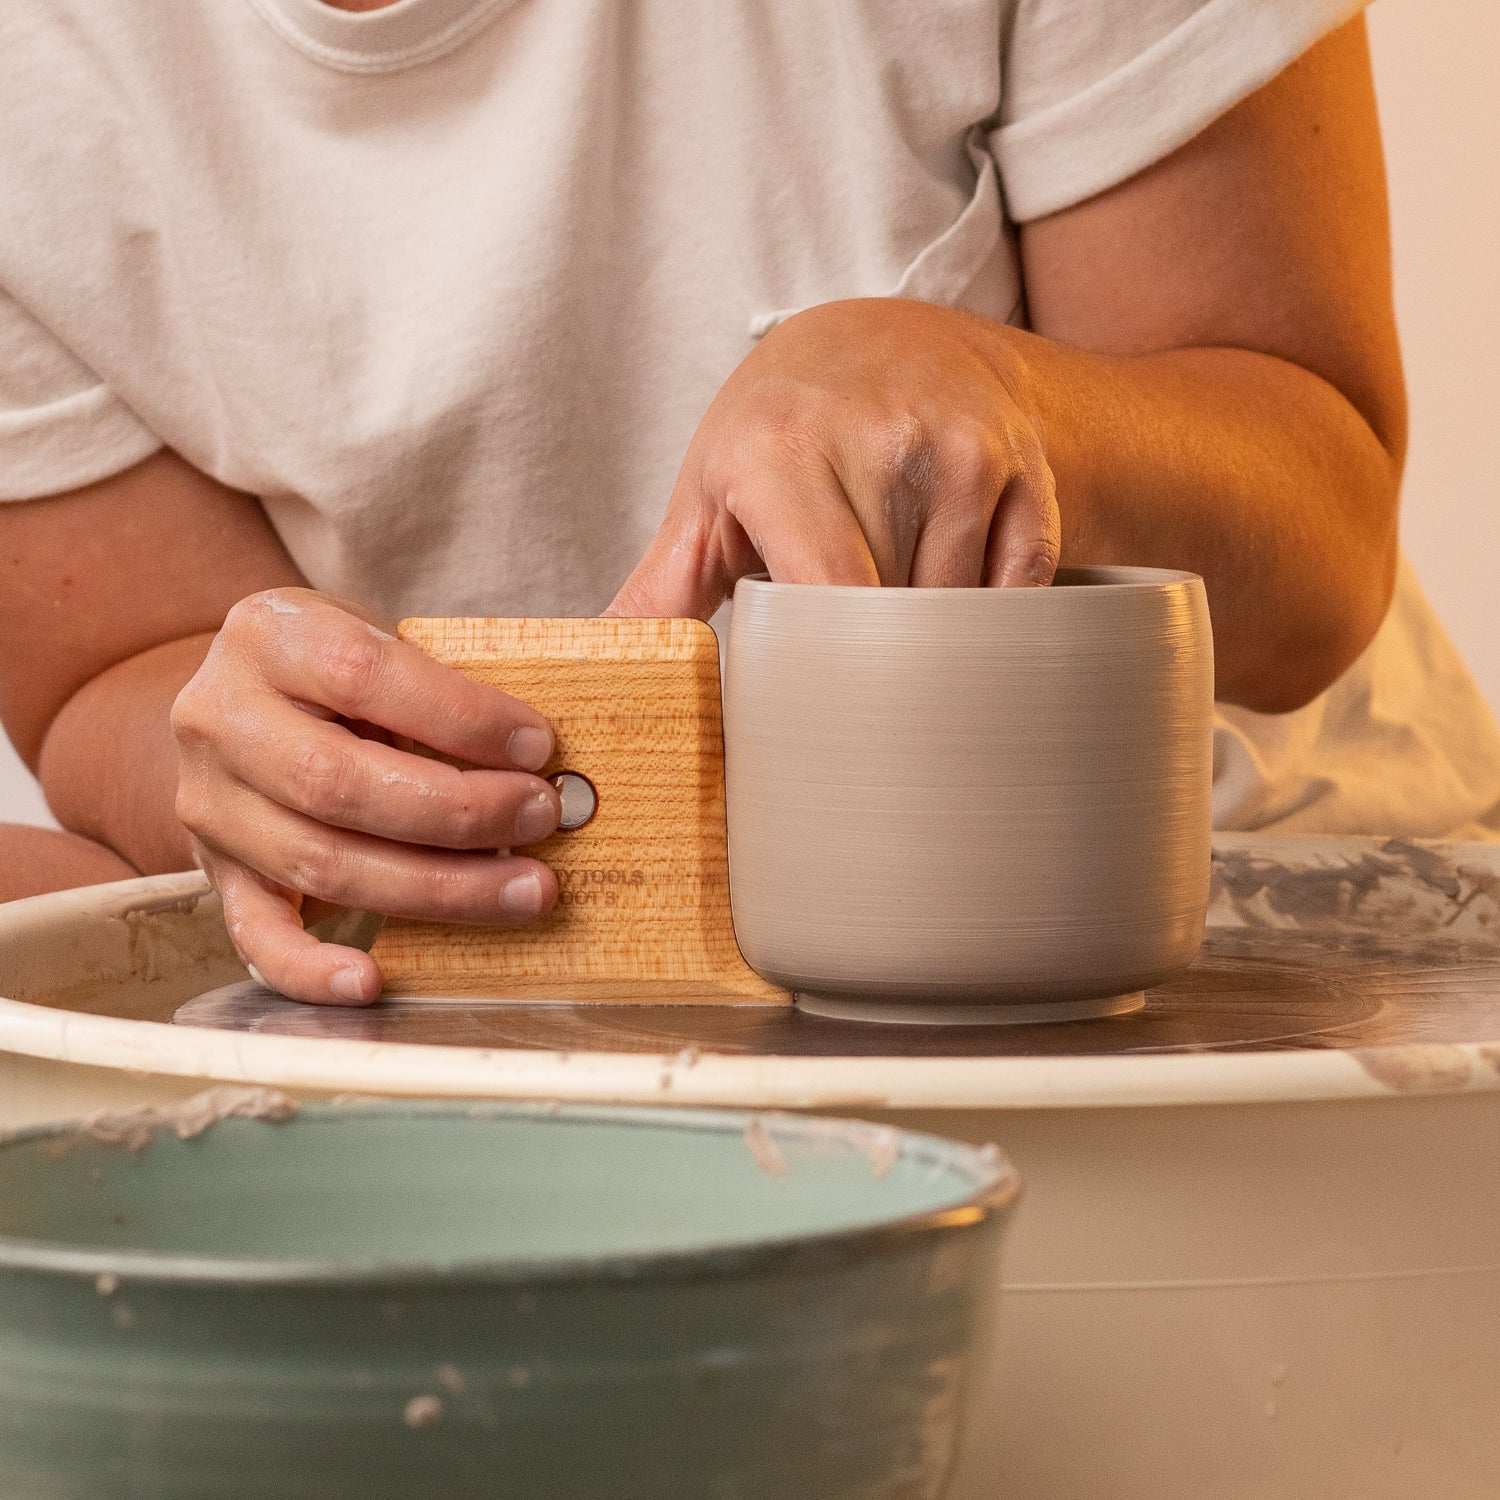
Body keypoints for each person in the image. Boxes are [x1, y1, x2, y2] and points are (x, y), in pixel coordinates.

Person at [2, 0, 1497, 1004]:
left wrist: (994, 394)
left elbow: (1322, 548)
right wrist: (281, 761)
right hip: (528, 1004)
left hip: (1265, 935)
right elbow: (113, 673)